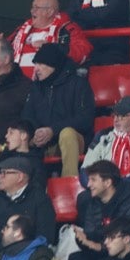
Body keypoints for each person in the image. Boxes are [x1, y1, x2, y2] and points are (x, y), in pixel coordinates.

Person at [22, 44, 93, 178]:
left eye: (40, 64)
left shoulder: (78, 84)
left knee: (67, 134)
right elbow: (27, 116)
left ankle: (69, 185)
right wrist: (34, 134)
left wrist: (52, 130)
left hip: (74, 142)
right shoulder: (36, 87)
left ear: (53, 65)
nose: (36, 69)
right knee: (20, 136)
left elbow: (85, 119)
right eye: (35, 64)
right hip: (44, 144)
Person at [0, 0, 93, 78]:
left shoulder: (67, 29)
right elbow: (7, 55)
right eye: (32, 7)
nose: (32, 11)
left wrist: (53, 48)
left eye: (37, 8)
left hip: (49, 83)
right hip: (16, 82)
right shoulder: (23, 29)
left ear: (50, 12)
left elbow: (83, 51)